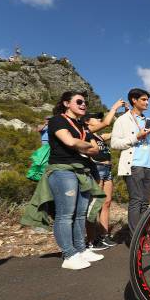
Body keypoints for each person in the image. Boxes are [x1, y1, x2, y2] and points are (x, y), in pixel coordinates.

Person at [47, 91, 103, 270]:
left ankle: (81, 248)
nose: (83, 105)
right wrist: (85, 146)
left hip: (82, 171)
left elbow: (96, 149)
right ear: (66, 103)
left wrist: (83, 146)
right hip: (63, 171)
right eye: (78, 101)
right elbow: (69, 141)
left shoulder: (82, 125)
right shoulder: (57, 120)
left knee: (80, 213)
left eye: (85, 102)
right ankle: (69, 254)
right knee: (65, 214)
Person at [111, 88, 150, 248]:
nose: (147, 102)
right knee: (136, 201)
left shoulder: (149, 121)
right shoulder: (122, 120)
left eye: (148, 100)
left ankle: (144, 235)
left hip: (147, 166)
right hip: (133, 166)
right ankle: (136, 240)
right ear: (134, 100)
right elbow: (114, 143)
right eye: (144, 99)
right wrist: (135, 137)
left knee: (145, 203)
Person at [84, 99, 126, 250]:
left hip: (107, 170)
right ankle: (91, 240)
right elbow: (106, 123)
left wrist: (127, 115)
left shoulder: (100, 137)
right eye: (96, 117)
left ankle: (103, 236)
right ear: (87, 122)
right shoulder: (87, 132)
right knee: (94, 204)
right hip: (96, 168)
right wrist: (114, 107)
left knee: (106, 203)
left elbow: (117, 131)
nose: (99, 119)